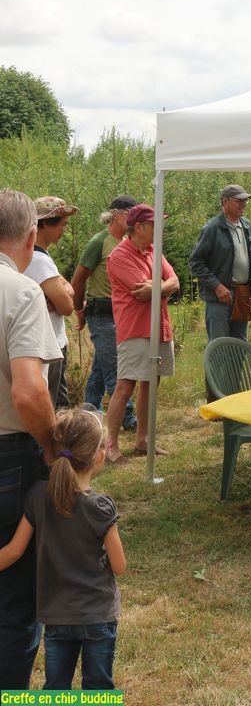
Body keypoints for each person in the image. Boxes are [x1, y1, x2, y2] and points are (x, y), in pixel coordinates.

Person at [0, 407, 126, 689]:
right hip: (97, 616)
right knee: (98, 688)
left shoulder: (37, 496)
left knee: (55, 688)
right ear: (100, 456)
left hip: (56, 617)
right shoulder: (101, 508)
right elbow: (120, 567)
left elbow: (13, 551)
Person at [0, 188, 61, 690]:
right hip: (10, 457)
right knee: (14, 601)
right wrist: (53, 447)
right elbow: (28, 391)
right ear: (31, 235)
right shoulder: (21, 292)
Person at [105, 205, 179, 465]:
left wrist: (159, 286)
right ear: (139, 227)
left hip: (159, 327)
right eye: (156, 224)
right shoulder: (119, 256)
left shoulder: (154, 251)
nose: (161, 229)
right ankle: (110, 446)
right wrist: (163, 286)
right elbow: (141, 291)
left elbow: (175, 281)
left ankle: (143, 440)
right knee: (125, 385)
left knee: (151, 382)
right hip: (135, 329)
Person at [71, 196, 139, 432]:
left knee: (102, 365)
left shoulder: (129, 242)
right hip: (102, 313)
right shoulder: (99, 242)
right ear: (117, 214)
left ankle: (89, 410)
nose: (135, 219)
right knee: (115, 367)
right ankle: (127, 417)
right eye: (131, 213)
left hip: (123, 313)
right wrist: (79, 310)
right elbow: (78, 280)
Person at [24, 196, 78, 409]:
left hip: (49, 342)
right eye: (62, 223)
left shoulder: (38, 256)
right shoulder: (39, 261)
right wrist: (63, 295)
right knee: (53, 405)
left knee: (57, 403)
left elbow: (69, 288)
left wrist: (64, 291)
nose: (65, 229)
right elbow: (67, 307)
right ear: (46, 223)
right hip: (50, 345)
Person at [189, 184, 251, 343]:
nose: (244, 204)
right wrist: (217, 286)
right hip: (219, 298)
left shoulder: (246, 226)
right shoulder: (212, 228)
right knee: (220, 346)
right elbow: (196, 262)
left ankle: (236, 364)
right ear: (225, 202)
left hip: (242, 294)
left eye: (246, 200)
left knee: (240, 346)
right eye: (239, 200)